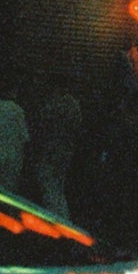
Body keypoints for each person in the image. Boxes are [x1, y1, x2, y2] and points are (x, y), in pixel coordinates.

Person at [33, 79, 83, 220]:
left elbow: (42, 123)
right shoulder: (74, 105)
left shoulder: (52, 104)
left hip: (51, 149)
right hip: (66, 149)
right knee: (58, 186)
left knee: (48, 186)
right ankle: (62, 218)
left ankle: (55, 218)